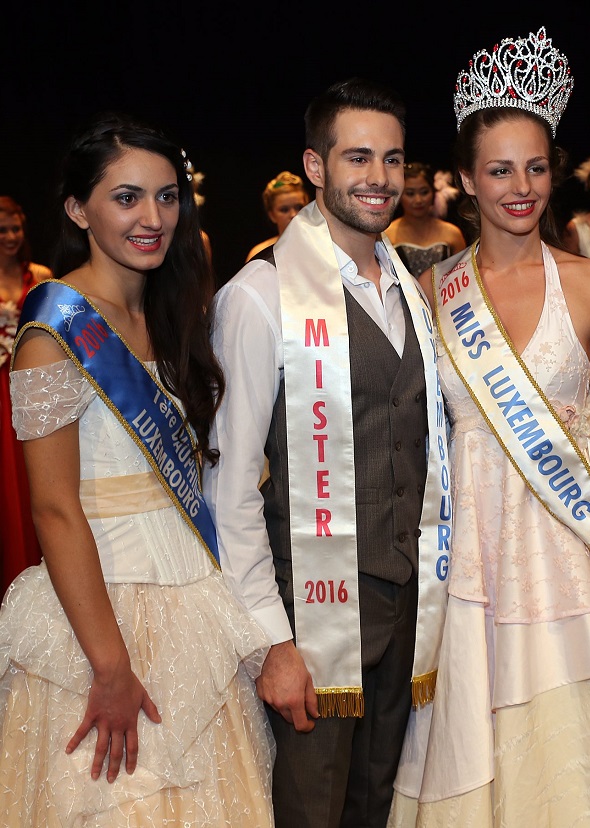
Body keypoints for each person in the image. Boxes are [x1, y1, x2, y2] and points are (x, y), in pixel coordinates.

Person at [388, 27, 590, 827]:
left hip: (566, 555)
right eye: (500, 169)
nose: (520, 186)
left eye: (535, 167)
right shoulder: (429, 294)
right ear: (466, 180)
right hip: (467, 558)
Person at [0, 112, 275, 825]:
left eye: (167, 196)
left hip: (192, 599)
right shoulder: (53, 332)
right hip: (101, 616)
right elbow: (54, 510)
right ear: (77, 208)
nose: (153, 217)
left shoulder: (173, 313)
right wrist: (111, 667)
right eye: (126, 198)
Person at [203, 78, 451, 828]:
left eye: (392, 159)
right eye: (356, 157)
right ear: (315, 166)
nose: (377, 178)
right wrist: (271, 640)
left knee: (376, 805)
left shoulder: (406, 283)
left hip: (408, 599)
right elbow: (231, 483)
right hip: (312, 613)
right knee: (308, 810)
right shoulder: (258, 292)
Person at [0, 196, 51, 597]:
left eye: (15, 228)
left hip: (28, 384)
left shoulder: (41, 275)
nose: (11, 236)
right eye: (2, 230)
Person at [385, 162, 466, 277]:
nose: (418, 200)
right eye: (410, 193)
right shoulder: (387, 235)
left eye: (424, 192)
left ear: (433, 193)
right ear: (399, 195)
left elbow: (463, 278)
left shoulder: (452, 233)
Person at [245, 170, 310, 262]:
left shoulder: (325, 245)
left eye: (299, 207)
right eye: (284, 210)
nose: (293, 214)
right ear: (272, 215)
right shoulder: (260, 254)